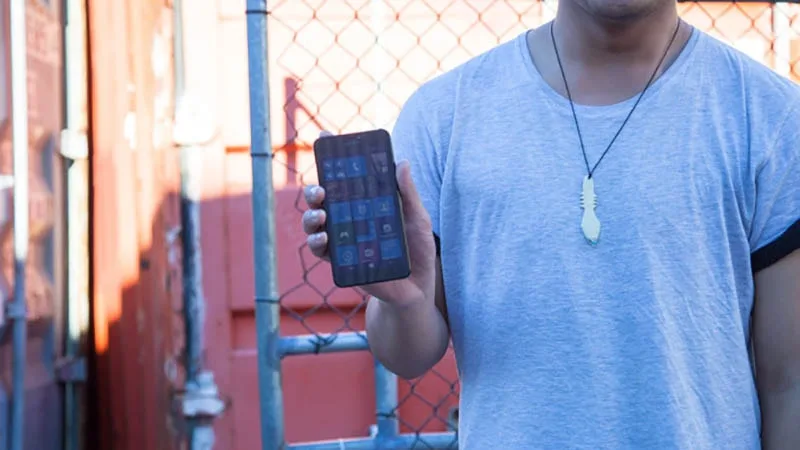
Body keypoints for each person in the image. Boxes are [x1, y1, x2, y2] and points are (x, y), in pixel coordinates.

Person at [301, 0, 800, 446]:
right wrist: (405, 302)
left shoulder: (770, 115)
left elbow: (789, 380)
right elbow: (406, 356)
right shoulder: (443, 116)